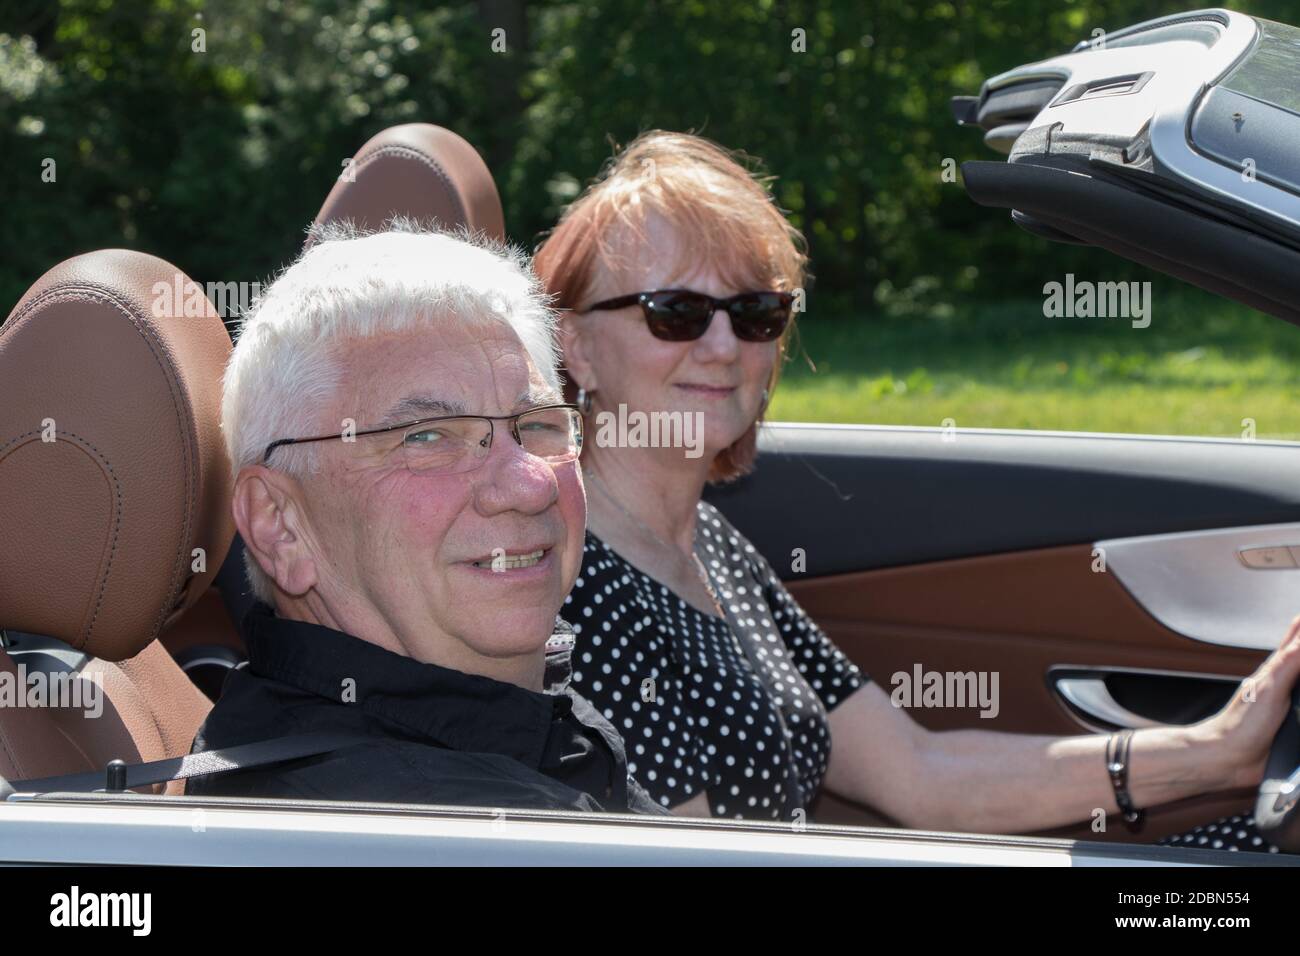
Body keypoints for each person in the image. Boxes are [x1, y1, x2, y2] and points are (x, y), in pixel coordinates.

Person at [532, 130, 1300, 848]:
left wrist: (1215, 751)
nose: (725, 346)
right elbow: (694, 864)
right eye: (678, 313)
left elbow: (921, 777)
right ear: (577, 346)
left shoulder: (708, 544)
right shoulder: (579, 590)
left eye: (757, 312)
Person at [187, 220, 665, 815]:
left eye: (539, 424)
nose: (530, 482)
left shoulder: (501, 739)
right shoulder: (414, 834)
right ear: (279, 525)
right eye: (427, 436)